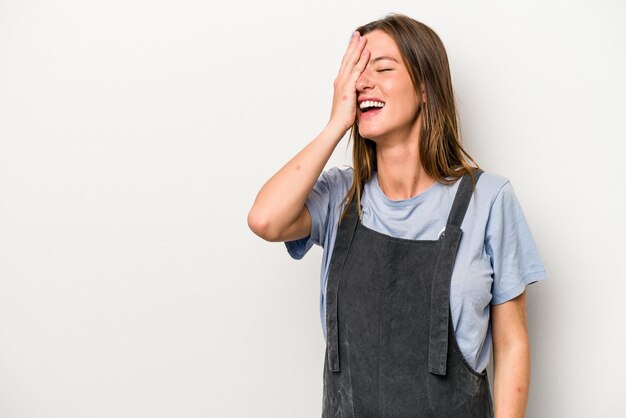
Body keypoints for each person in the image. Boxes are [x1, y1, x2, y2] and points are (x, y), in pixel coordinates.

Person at [248, 14, 545, 418]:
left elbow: (512, 345)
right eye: (356, 72)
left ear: (426, 87)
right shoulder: (340, 197)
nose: (362, 81)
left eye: (382, 68)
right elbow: (265, 220)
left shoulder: (488, 200)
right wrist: (336, 123)